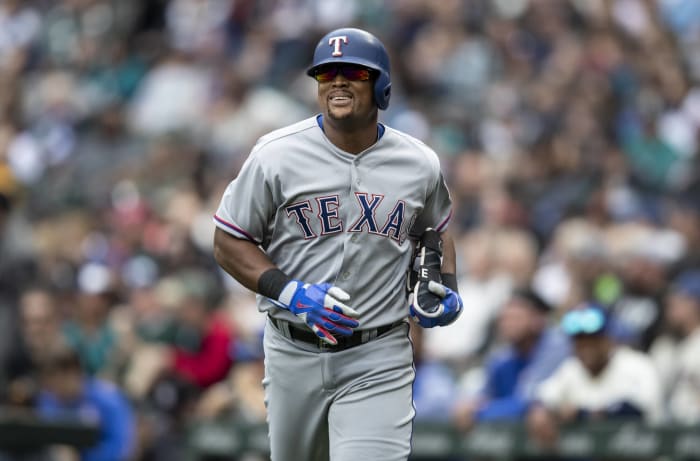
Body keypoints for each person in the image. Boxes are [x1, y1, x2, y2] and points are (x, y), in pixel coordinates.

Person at [212, 27, 463, 461]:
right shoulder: (275, 154)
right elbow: (229, 240)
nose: (338, 82)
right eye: (327, 75)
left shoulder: (418, 162)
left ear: (381, 85)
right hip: (292, 349)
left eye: (354, 73)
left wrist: (446, 285)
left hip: (377, 353)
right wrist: (289, 291)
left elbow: (435, 230)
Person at [527, 303, 663, 447]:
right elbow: (542, 396)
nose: (586, 348)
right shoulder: (572, 368)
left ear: (609, 340)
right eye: (580, 341)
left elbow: (637, 411)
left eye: (593, 340)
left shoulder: (637, 365)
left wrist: (582, 414)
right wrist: (540, 410)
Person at [452, 288, 570, 430]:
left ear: (538, 319)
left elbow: (529, 400)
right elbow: (484, 395)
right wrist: (469, 405)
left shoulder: (556, 346)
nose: (508, 324)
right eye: (505, 318)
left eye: (516, 317)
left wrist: (479, 411)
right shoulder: (503, 356)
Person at [649, 270, 700, 424]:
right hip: (664, 431)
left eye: (678, 303)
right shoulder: (662, 346)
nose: (670, 310)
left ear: (695, 304)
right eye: (669, 304)